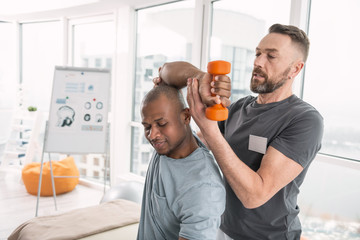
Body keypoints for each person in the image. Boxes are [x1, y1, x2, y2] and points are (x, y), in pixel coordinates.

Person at [155, 24, 324, 240]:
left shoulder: (304, 120)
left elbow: (255, 195)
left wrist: (209, 129)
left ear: (295, 69)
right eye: (258, 53)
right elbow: (196, 145)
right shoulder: (240, 107)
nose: (257, 62)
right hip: (223, 228)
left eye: (271, 56)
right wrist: (195, 84)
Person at [137, 85, 226, 240]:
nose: (153, 135)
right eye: (147, 127)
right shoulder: (167, 145)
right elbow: (167, 72)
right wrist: (200, 77)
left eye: (162, 124)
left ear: (186, 117)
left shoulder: (203, 190)